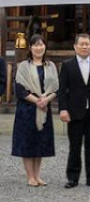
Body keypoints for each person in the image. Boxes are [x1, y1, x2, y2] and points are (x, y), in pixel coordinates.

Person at [58, 33, 90, 188]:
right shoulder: (67, 65)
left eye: (87, 44)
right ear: (75, 46)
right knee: (74, 146)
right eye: (82, 44)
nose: (85, 46)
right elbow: (62, 90)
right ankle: (72, 177)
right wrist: (63, 109)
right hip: (74, 111)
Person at [11, 34, 59, 186]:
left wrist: (45, 99)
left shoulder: (51, 66)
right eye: (35, 45)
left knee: (41, 142)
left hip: (44, 109)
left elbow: (56, 88)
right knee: (27, 142)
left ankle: (37, 175)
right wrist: (37, 100)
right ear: (30, 48)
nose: (39, 48)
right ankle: (30, 176)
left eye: (41, 45)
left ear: (45, 47)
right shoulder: (23, 66)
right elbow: (19, 90)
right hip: (27, 109)